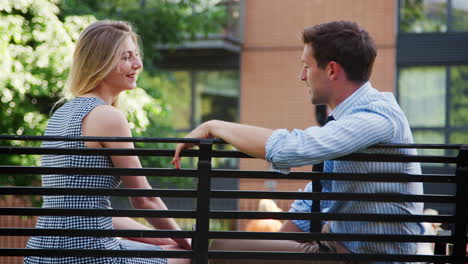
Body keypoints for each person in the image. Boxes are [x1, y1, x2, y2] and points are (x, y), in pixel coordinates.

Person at [172, 20, 423, 264]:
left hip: (367, 259)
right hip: (341, 249)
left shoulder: (374, 117)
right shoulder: (350, 120)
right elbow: (320, 193)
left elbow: (291, 149)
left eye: (307, 66)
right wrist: (274, 247)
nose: (301, 76)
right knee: (234, 248)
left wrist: (214, 126)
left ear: (332, 70)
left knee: (220, 249)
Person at [25, 20, 191, 264]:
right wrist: (191, 245)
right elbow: (144, 199)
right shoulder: (107, 116)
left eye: (136, 55)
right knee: (188, 259)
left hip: (41, 254)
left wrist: (167, 240)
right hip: (85, 256)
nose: (138, 64)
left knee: (173, 249)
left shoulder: (61, 114)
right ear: (100, 62)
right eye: (126, 57)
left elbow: (92, 214)